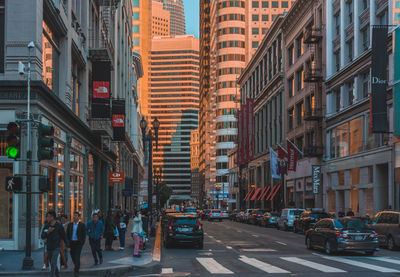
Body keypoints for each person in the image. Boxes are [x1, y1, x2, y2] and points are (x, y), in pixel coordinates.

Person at [41, 211, 70, 277]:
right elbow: (43, 236)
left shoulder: (58, 225)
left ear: (52, 217)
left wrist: (68, 245)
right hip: (49, 247)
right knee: (52, 263)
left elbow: (64, 236)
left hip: (56, 247)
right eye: (47, 216)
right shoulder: (47, 225)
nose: (47, 218)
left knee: (54, 261)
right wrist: (48, 232)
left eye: (48, 216)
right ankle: (57, 275)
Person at [66, 211, 86, 277]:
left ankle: (76, 271)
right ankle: (77, 265)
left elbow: (84, 235)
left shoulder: (82, 225)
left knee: (77, 256)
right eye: (73, 216)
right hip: (71, 243)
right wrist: (68, 244)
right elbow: (67, 235)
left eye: (76, 215)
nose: (74, 217)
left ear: (78, 217)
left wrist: (82, 242)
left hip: (78, 243)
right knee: (73, 257)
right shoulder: (70, 225)